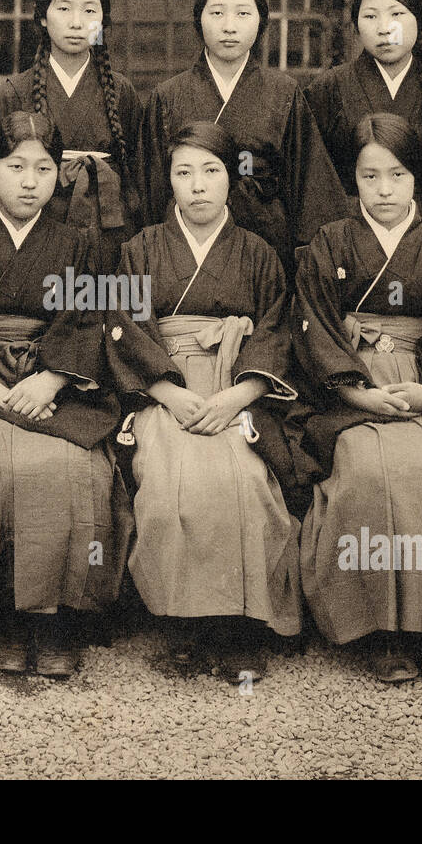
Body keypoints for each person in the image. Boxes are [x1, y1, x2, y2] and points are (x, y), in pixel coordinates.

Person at [290, 113, 422, 684]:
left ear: (417, 179)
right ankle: (381, 630)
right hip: (350, 386)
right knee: (369, 473)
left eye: (397, 175)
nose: (383, 190)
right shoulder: (329, 244)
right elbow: (312, 327)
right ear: (353, 180)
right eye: (369, 177)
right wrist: (358, 394)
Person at [0, 111, 132, 678]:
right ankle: (5, 617)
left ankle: (60, 618)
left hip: (53, 385)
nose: (30, 180)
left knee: (76, 466)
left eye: (43, 168)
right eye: (16, 166)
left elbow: (93, 316)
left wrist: (54, 377)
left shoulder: (81, 245)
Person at [107, 121, 301, 681]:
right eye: (183, 172)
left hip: (237, 387)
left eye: (211, 171)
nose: (197, 185)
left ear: (230, 179)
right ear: (167, 180)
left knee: (243, 479)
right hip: (163, 390)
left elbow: (276, 329)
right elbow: (123, 327)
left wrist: (241, 394)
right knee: (170, 481)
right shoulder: (141, 249)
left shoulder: (259, 253)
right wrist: (168, 392)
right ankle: (184, 621)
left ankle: (237, 625)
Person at [141, 0, 347, 277]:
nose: (229, 27)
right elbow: (150, 192)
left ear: (261, 21)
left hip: (266, 250)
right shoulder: (168, 96)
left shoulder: (284, 92)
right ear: (199, 18)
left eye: (243, 14)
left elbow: (310, 188)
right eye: (217, 13)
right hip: (184, 250)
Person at [0, 0, 142, 270]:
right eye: (63, 9)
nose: (76, 22)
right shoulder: (12, 93)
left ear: (103, 21)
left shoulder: (122, 92)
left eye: (89, 11)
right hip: (35, 231)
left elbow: (138, 179)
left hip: (108, 233)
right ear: (43, 18)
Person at [305, 0, 422, 212]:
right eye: (370, 16)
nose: (385, 28)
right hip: (348, 233)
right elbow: (314, 182)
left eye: (397, 14)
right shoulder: (328, 88)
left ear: (420, 21)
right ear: (356, 26)